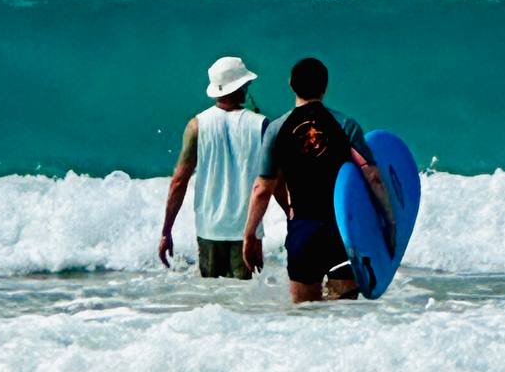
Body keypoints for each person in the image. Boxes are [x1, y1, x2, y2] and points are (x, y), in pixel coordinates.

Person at [242, 57, 395, 303]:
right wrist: (389, 220)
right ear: (325, 87)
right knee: (342, 315)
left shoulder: (277, 129)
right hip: (342, 233)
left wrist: (250, 236)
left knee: (305, 316)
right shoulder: (346, 126)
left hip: (303, 232)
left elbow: (262, 189)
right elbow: (373, 176)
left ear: (291, 84)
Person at [159, 55, 271, 279]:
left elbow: (178, 182)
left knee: (213, 296)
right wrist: (291, 216)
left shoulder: (196, 125)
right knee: (246, 301)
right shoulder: (262, 125)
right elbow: (275, 182)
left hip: (209, 228)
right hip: (247, 230)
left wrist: (166, 231)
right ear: (241, 87)